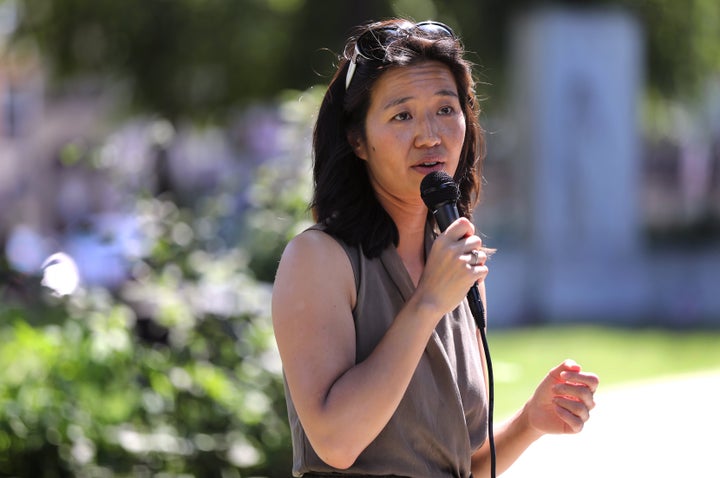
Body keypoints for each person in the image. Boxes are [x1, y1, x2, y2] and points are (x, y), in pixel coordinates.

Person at [272, 18, 599, 477]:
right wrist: (427, 302)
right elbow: (336, 442)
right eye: (402, 115)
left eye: (446, 109)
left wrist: (530, 422)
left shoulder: (458, 263)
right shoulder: (320, 260)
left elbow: (460, 464)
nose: (431, 135)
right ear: (357, 140)